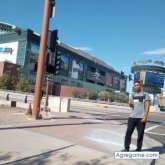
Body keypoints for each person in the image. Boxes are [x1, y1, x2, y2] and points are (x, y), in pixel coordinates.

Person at [122, 80, 151, 152]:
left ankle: (138, 149)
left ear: (141, 86)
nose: (136, 86)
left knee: (140, 134)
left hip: (141, 117)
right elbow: (131, 106)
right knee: (128, 132)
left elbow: (147, 106)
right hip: (132, 117)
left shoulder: (145, 94)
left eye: (138, 85)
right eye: (135, 85)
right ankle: (126, 148)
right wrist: (130, 103)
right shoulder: (132, 95)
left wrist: (145, 116)